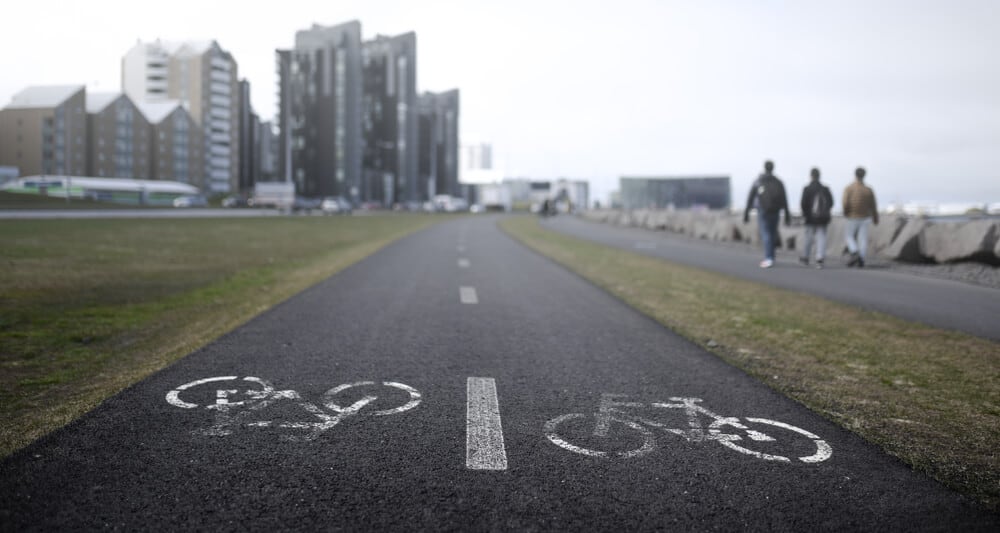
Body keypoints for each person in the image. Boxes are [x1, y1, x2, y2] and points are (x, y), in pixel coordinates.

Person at [744, 160, 791, 268]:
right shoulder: (778, 182)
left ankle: (768, 257)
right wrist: (787, 214)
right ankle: (771, 256)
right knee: (772, 233)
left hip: (763, 210)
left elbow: (750, 197)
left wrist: (747, 212)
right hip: (775, 211)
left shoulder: (759, 181)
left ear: (764, 168)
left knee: (766, 233)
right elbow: (784, 198)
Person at [842, 166, 879, 267]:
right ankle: (861, 259)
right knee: (863, 239)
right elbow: (873, 206)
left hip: (852, 216)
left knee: (849, 236)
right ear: (864, 175)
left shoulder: (849, 188)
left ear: (855, 175)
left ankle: (854, 252)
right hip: (865, 217)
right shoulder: (868, 190)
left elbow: (845, 203)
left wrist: (846, 213)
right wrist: (875, 218)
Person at [799, 167, 834, 268]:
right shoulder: (825, 189)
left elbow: (803, 204)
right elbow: (831, 202)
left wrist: (805, 214)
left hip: (810, 218)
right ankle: (820, 258)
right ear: (819, 176)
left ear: (811, 176)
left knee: (808, 238)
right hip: (822, 218)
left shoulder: (807, 188)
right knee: (821, 236)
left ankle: (806, 257)